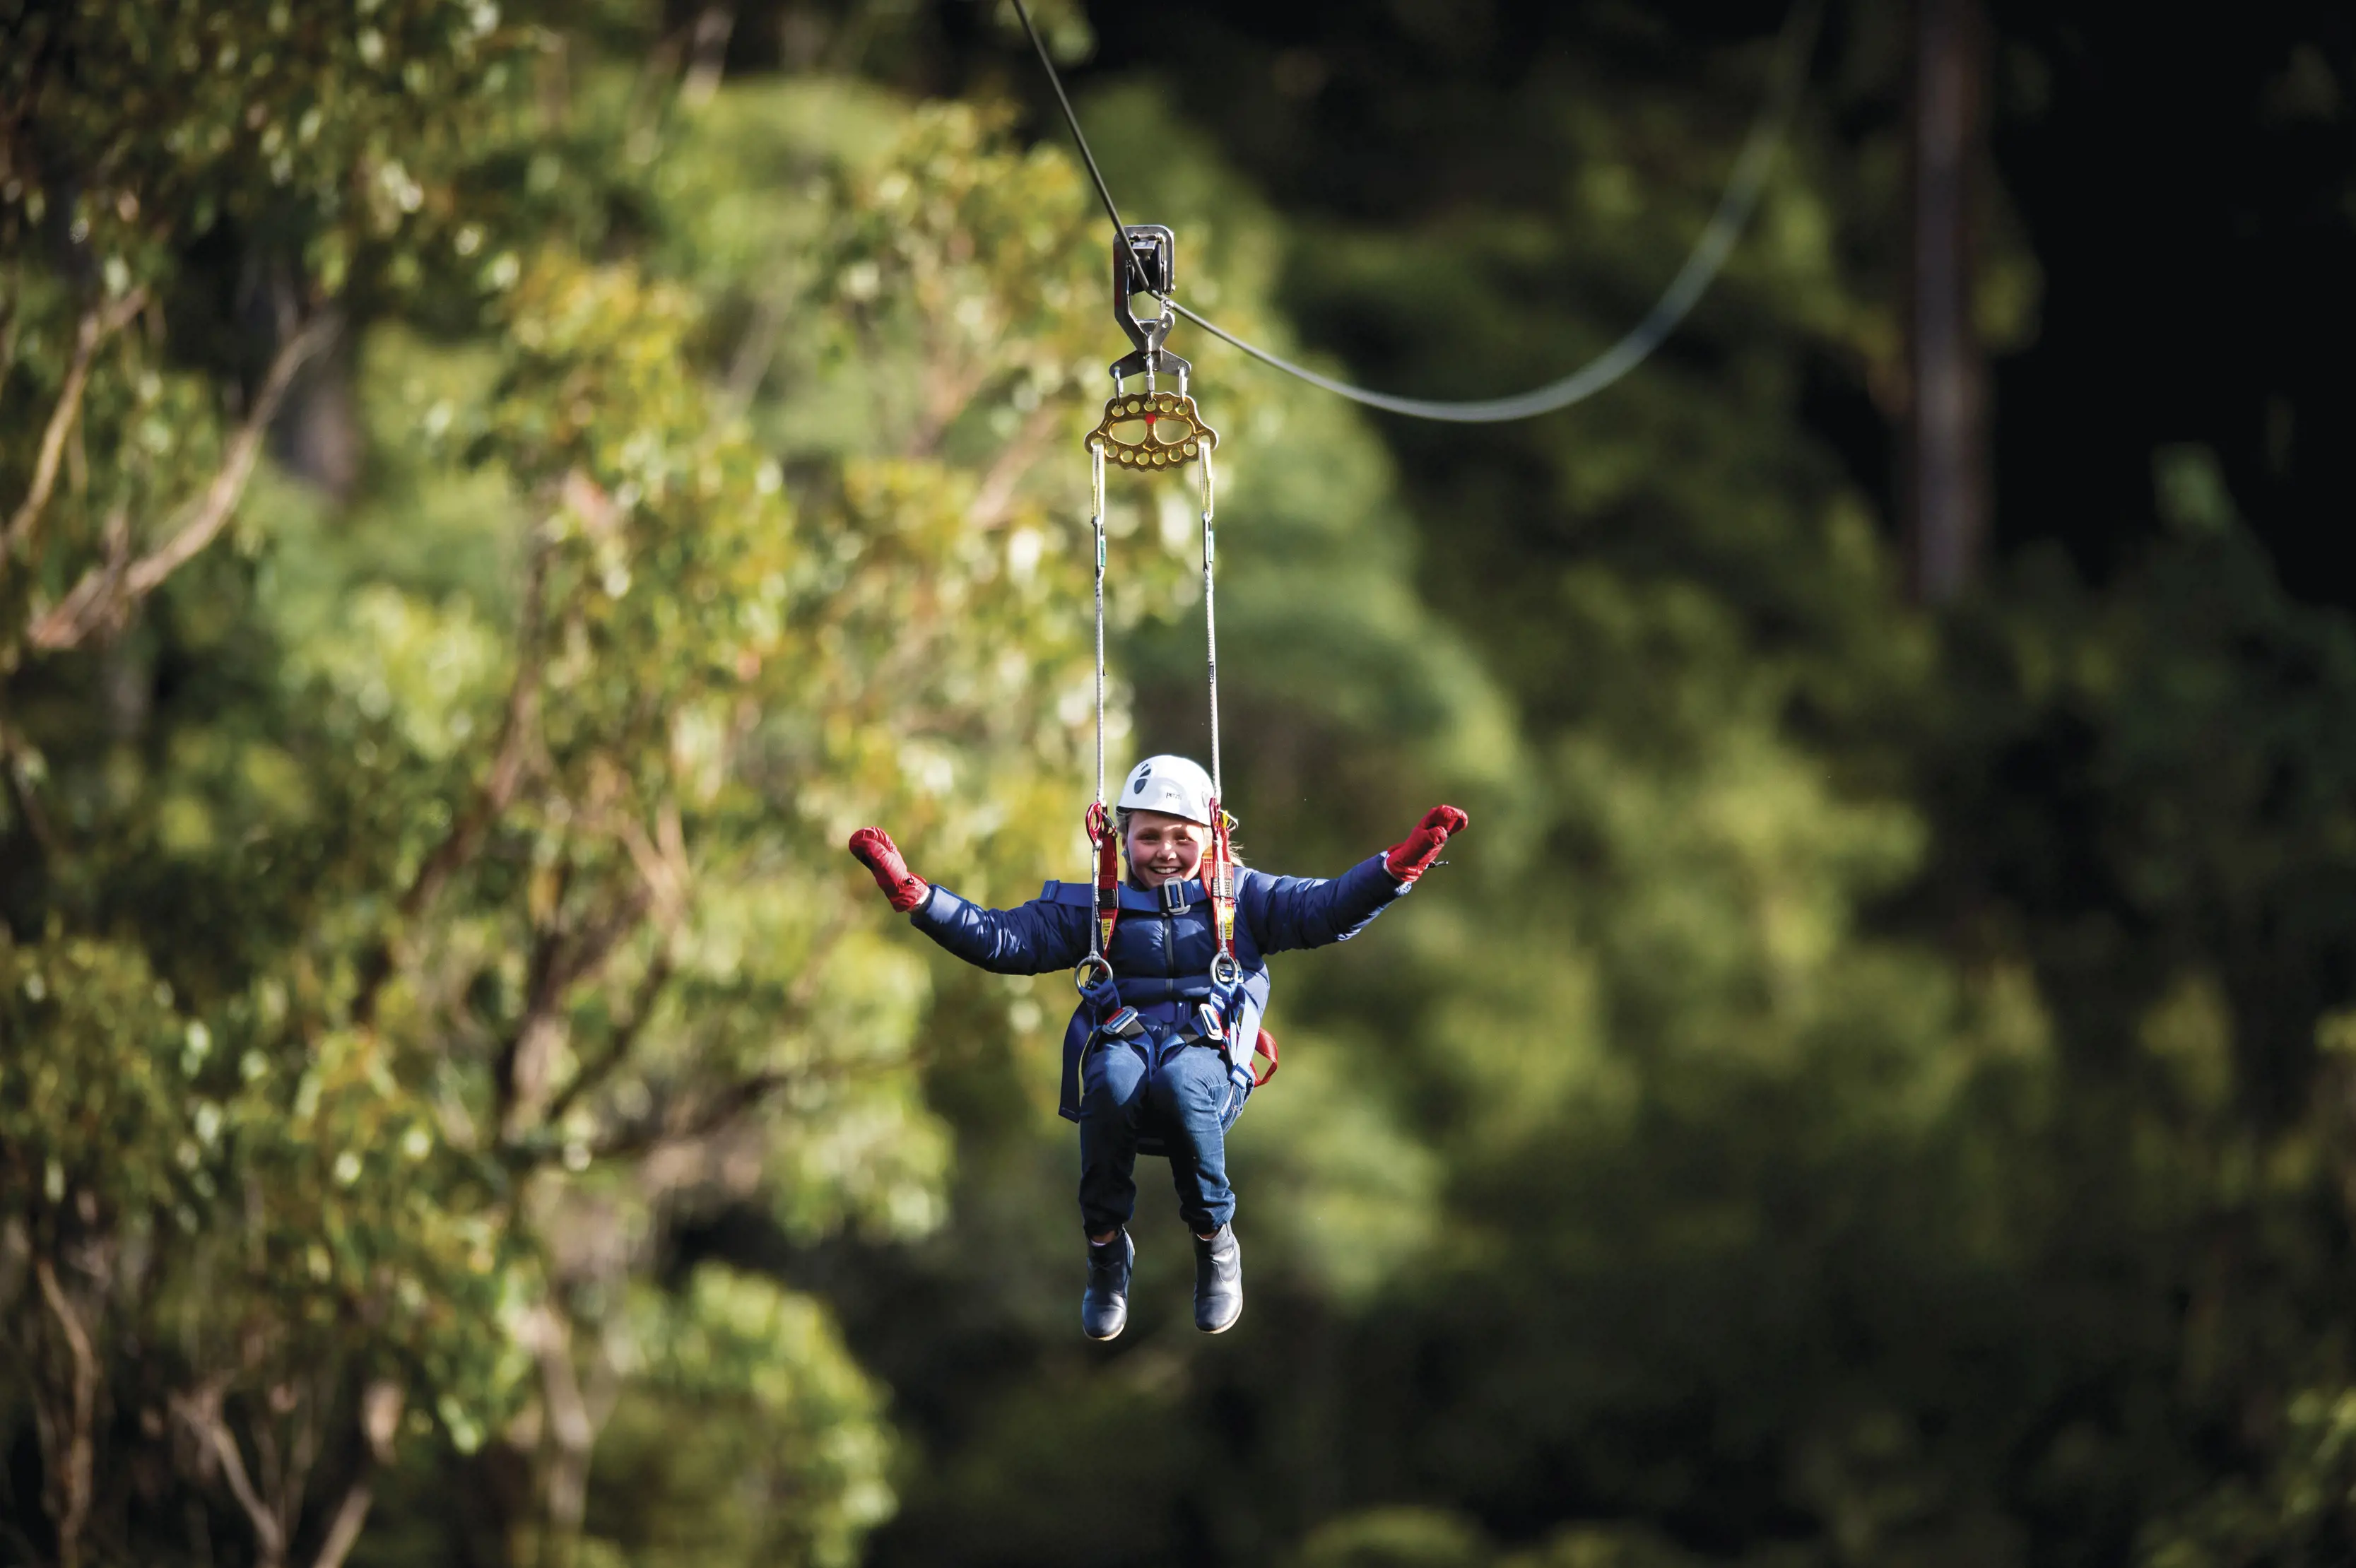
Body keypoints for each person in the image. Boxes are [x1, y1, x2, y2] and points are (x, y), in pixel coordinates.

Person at [846, 755, 1466, 1340]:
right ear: (1120, 838)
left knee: (1181, 1081)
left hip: (1206, 1058)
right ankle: (1105, 1247)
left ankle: (1213, 1238)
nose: (1166, 852)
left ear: (1211, 833)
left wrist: (1395, 870)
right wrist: (921, 899)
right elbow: (1007, 939)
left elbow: (1326, 907)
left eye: (1181, 835)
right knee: (1112, 1081)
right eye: (1149, 837)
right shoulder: (1095, 907)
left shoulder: (1243, 900)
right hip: (1127, 1045)